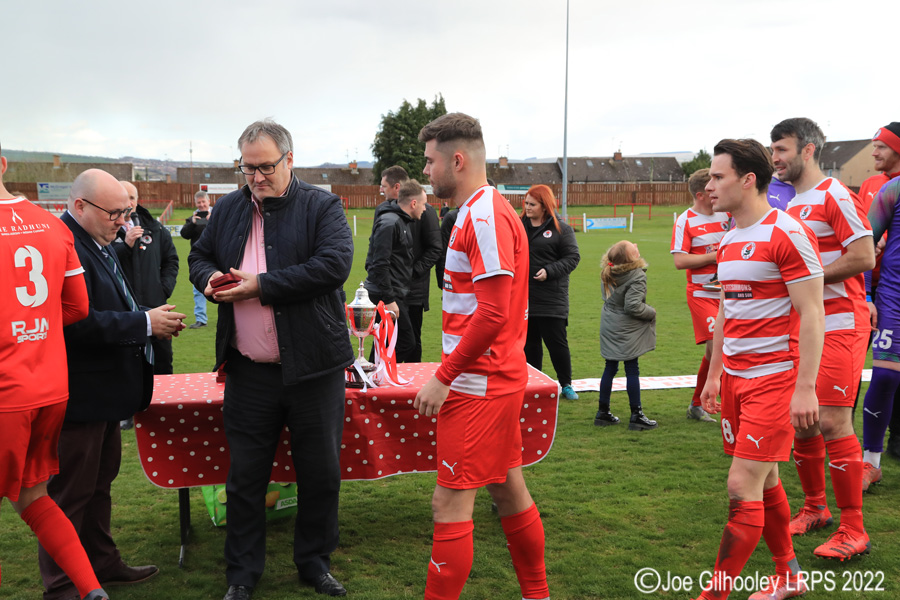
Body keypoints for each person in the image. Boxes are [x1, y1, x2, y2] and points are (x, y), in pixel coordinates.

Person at [188, 119, 354, 600]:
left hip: (315, 369)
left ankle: (314, 563)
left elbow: (333, 266)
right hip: (249, 372)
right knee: (245, 479)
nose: (256, 177)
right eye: (247, 168)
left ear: (289, 160)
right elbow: (199, 256)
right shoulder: (227, 209)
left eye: (265, 167)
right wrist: (208, 279)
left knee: (320, 474)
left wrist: (259, 286)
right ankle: (241, 575)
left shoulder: (322, 205)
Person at [414, 112, 549, 600]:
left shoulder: (485, 216)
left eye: (430, 161)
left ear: (457, 160)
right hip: (489, 379)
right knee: (508, 488)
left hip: (479, 385)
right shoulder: (477, 211)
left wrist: (444, 376)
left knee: (448, 505)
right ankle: (538, 594)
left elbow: (492, 314)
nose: (425, 171)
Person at [41, 168, 185, 600]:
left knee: (98, 485)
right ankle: (63, 585)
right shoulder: (63, 245)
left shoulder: (94, 240)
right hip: (80, 397)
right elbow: (73, 325)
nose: (123, 222)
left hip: (104, 393)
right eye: (114, 213)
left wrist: (147, 318)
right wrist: (144, 323)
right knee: (70, 495)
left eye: (127, 212)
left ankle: (102, 562)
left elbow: (111, 303)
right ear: (80, 205)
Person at [695, 138, 824, 600]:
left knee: (740, 483)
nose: (709, 186)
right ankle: (789, 576)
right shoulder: (729, 238)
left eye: (718, 176)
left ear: (748, 180)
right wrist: (714, 375)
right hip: (735, 379)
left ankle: (714, 595)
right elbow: (726, 311)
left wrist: (805, 387)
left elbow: (812, 312)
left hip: (774, 379)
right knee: (766, 480)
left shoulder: (786, 232)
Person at [0, 146, 109, 600]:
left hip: (6, 394)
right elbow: (77, 307)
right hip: (49, 389)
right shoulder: (51, 224)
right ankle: (91, 590)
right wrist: (33, 330)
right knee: (35, 498)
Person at [771, 118, 874, 559]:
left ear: (808, 150)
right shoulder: (792, 207)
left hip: (841, 321)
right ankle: (815, 508)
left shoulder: (836, 194)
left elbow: (864, 256)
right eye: (773, 150)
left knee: (832, 421)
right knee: (804, 420)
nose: (775, 158)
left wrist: (806, 280)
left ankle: (854, 529)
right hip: (805, 325)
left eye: (782, 149)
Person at [670, 168, 728, 423]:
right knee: (718, 348)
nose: (717, 190)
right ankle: (722, 404)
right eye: (712, 186)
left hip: (729, 293)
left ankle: (698, 403)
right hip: (702, 294)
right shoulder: (685, 220)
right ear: (700, 194)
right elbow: (680, 261)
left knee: (716, 352)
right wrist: (715, 256)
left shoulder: (727, 214)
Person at [858, 123, 900, 462]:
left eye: (880, 146)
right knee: (885, 375)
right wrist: (867, 297)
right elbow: (863, 244)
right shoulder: (891, 189)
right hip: (892, 296)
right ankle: (871, 462)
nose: (874, 152)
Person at [374, 166, 441, 362]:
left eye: (384, 186)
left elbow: (435, 248)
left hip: (413, 292)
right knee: (383, 340)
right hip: (388, 289)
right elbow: (377, 252)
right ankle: (377, 376)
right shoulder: (384, 211)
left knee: (411, 343)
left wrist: (411, 272)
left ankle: (409, 380)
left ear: (397, 187)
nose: (381, 190)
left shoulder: (426, 211)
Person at [520, 184, 581, 400]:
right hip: (524, 298)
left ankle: (566, 384)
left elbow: (573, 257)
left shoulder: (562, 229)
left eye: (532, 204)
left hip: (552, 299)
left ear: (545, 206)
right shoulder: (518, 226)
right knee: (530, 344)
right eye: (526, 203)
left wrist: (549, 271)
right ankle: (533, 383)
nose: (527, 207)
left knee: (557, 344)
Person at [113, 181, 179, 374]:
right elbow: (101, 261)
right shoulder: (105, 230)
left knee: (162, 367)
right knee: (125, 371)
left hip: (155, 306)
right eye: (123, 197)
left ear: (137, 200)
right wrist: (125, 245)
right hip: (121, 313)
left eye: (132, 198)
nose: (128, 202)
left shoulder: (155, 228)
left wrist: (162, 289)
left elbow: (171, 260)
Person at [595, 240, 658, 430]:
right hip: (625, 327)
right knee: (632, 368)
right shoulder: (637, 276)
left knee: (610, 367)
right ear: (631, 257)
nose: (637, 245)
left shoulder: (608, 270)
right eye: (633, 247)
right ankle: (636, 414)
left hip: (609, 322)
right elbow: (633, 306)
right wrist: (651, 312)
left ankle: (603, 412)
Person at [364, 179, 428, 363]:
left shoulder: (401, 222)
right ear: (413, 203)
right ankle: (378, 373)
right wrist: (389, 299)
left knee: (385, 342)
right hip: (386, 295)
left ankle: (374, 374)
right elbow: (378, 263)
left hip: (395, 293)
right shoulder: (390, 223)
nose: (425, 209)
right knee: (406, 342)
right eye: (423, 204)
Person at [180, 190, 213, 328]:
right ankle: (201, 319)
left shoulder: (218, 215)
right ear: (195, 203)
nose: (201, 205)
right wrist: (192, 223)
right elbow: (184, 234)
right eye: (199, 202)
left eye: (203, 201)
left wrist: (213, 220)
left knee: (225, 288)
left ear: (208, 201)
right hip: (199, 258)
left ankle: (231, 317)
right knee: (198, 290)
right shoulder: (192, 219)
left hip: (217, 256)